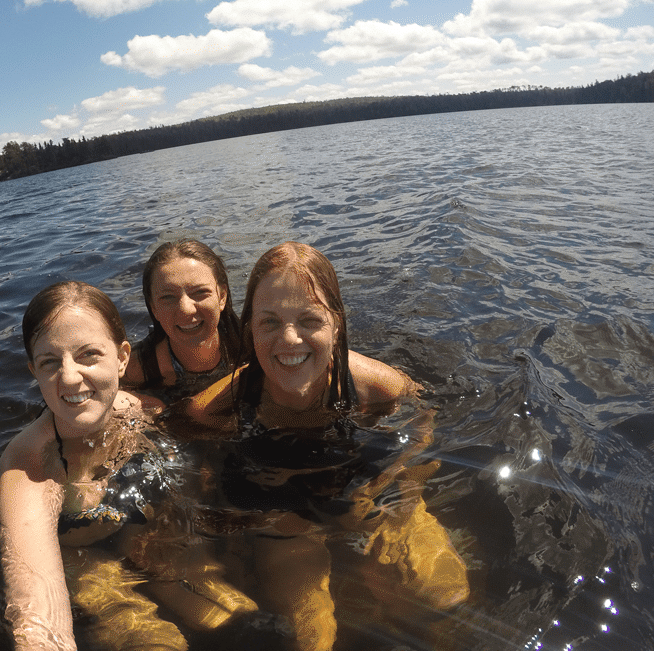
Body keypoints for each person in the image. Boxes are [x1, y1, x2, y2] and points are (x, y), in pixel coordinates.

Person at [180, 242, 469, 651]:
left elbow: (426, 419)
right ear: (249, 329)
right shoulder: (228, 398)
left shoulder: (377, 386)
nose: (289, 339)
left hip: (369, 492)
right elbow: (191, 424)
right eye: (269, 323)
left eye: (309, 320)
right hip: (281, 516)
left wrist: (406, 493)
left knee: (444, 593)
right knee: (309, 635)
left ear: (336, 324)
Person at [0, 281, 253, 651]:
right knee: (155, 641)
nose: (68, 377)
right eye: (49, 362)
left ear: (121, 358)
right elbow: (36, 614)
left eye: (88, 355)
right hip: (76, 556)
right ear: (33, 370)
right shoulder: (28, 470)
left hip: (136, 532)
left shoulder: (133, 409)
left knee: (226, 615)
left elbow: (176, 474)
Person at [123, 240, 242, 400]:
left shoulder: (253, 346)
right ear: (153, 308)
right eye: (168, 297)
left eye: (200, 292)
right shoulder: (134, 371)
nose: (186, 309)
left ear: (222, 297)